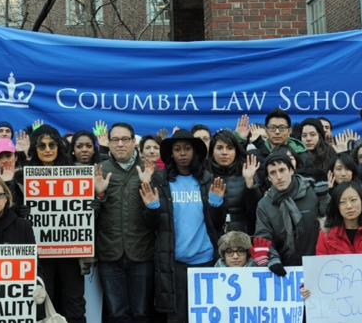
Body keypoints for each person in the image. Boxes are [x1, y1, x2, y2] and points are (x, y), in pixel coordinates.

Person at [139, 129, 226, 322]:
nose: (183, 153)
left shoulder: (208, 179)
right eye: (177, 149)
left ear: (195, 152)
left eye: (187, 148)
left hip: (205, 260)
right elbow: (150, 225)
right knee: (178, 317)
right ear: (171, 153)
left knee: (206, 317)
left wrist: (217, 204)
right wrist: (152, 208)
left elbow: (217, 224)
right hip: (174, 262)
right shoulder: (160, 181)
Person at [94, 122, 155, 323]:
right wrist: (99, 195)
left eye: (125, 139)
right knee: (117, 314)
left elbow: (159, 217)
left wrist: (149, 187)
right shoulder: (99, 170)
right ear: (108, 144)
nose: (120, 144)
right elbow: (86, 216)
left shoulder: (148, 169)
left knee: (142, 313)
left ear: (134, 143)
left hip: (142, 253)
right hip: (109, 254)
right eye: (115, 140)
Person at [29, 124, 85, 323]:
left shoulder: (76, 174)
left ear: (59, 147)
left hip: (70, 253)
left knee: (75, 305)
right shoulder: (22, 176)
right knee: (43, 306)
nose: (47, 150)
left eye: (51, 145)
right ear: (34, 149)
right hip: (39, 256)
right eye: (41, 146)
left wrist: (95, 203)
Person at [253, 153, 329, 276]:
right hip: (285, 268)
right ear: (268, 178)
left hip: (318, 263)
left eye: (282, 170)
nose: (278, 176)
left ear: (291, 170)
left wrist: (325, 197)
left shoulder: (313, 191)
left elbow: (330, 220)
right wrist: (272, 259)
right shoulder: (264, 204)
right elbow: (263, 236)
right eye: (273, 173)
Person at [207, 130, 261, 234]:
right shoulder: (204, 175)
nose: (224, 152)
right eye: (219, 148)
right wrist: (215, 205)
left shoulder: (247, 172)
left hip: (244, 234)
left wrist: (250, 184)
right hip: (214, 237)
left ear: (236, 151)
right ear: (212, 152)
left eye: (230, 148)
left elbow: (255, 213)